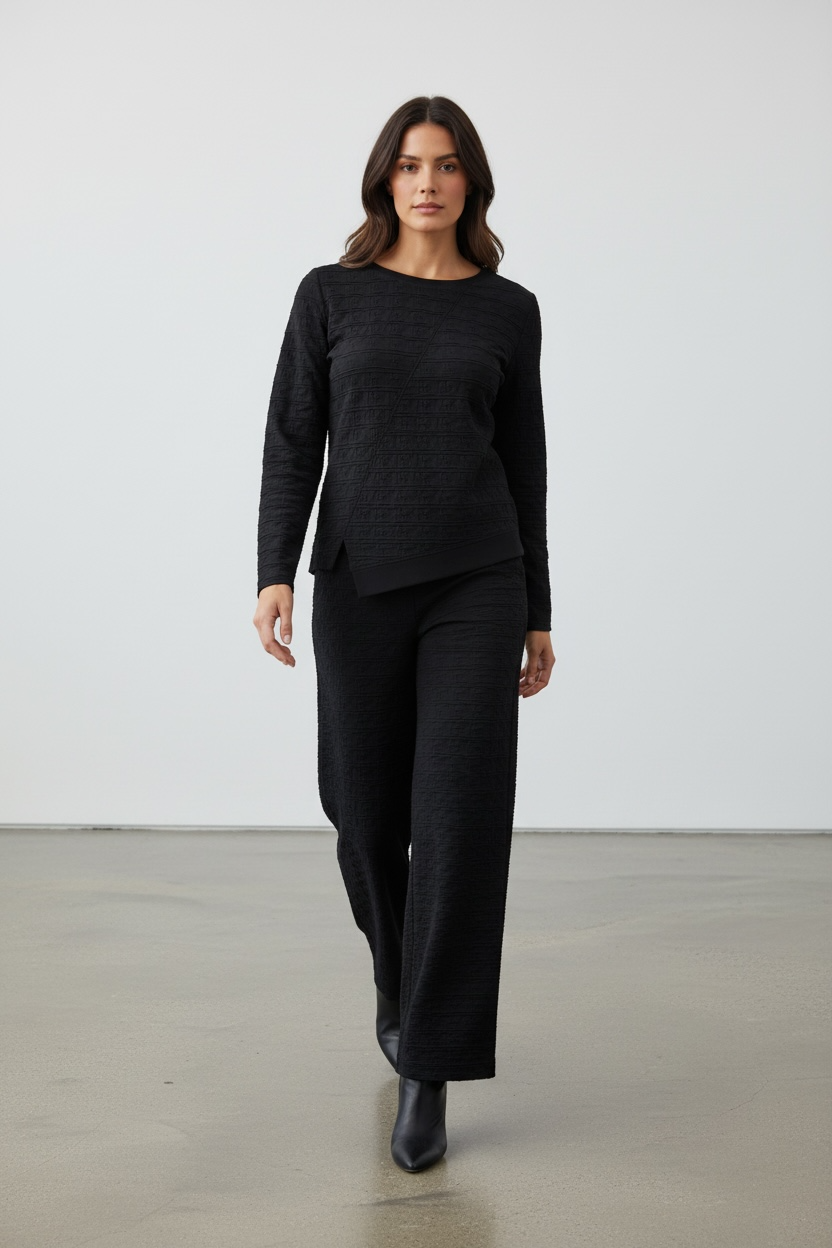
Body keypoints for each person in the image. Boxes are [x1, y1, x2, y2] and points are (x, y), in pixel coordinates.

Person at [253, 95, 556, 1173]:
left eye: (448, 164)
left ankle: (429, 1062)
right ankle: (397, 976)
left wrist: (538, 608)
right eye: (411, 163)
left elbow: (524, 463)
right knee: (363, 813)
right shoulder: (330, 295)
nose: (428, 182)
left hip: (477, 582)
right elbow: (294, 437)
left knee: (460, 821)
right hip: (359, 580)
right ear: (385, 178)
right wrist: (273, 570)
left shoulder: (507, 310)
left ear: (472, 183)